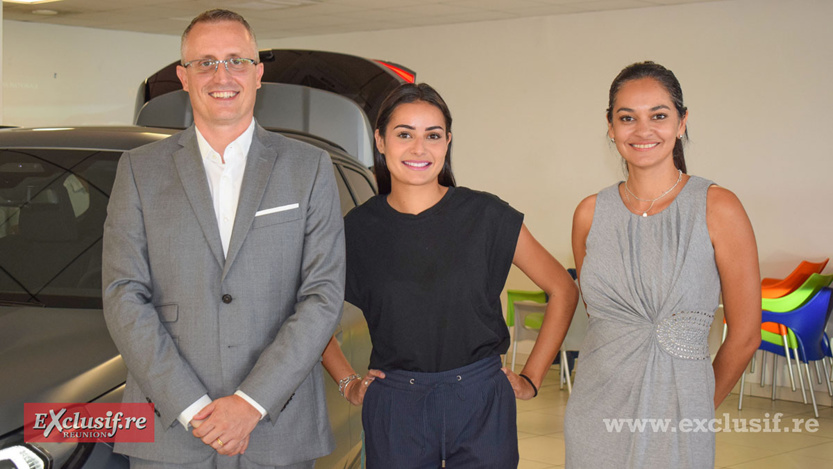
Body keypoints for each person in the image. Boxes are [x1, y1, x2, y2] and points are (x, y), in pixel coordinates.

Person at [102, 9, 345, 469]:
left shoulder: (309, 167)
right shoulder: (139, 170)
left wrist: (250, 403)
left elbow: (323, 296)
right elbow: (122, 295)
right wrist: (193, 409)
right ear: (183, 77)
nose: (222, 75)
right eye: (206, 62)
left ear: (258, 74)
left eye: (236, 60)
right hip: (168, 429)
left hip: (278, 428)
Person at [321, 82, 578, 468]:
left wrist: (531, 377)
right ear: (380, 140)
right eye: (404, 134)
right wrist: (347, 380)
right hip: (396, 405)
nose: (419, 148)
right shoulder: (357, 229)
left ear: (447, 142)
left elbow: (563, 288)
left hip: (480, 400)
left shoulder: (486, 216)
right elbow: (307, 310)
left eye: (433, 135)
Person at [564, 61, 761, 468]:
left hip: (679, 412)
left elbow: (745, 335)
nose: (643, 130)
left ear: (682, 122)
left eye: (658, 115)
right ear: (610, 126)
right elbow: (600, 316)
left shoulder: (718, 207)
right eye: (627, 118)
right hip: (594, 410)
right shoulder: (589, 213)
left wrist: (695, 409)